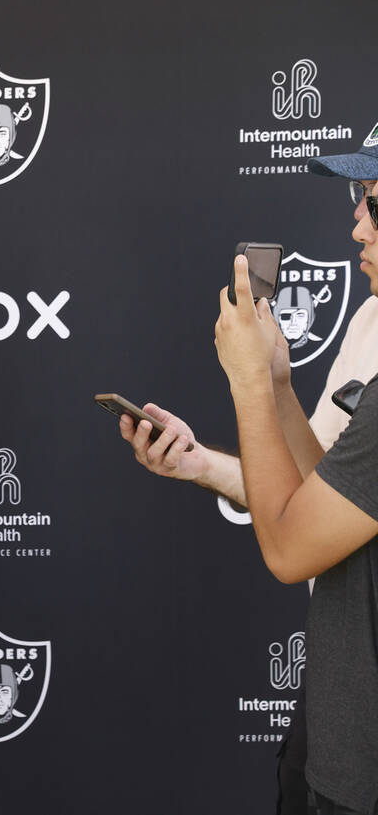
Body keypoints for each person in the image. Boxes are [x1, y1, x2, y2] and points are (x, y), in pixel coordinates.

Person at [123, 130, 378, 814]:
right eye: (360, 197)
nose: (356, 221)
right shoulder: (367, 322)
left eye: (375, 204)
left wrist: (247, 386)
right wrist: (281, 386)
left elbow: (292, 545)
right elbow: (333, 487)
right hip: (343, 709)